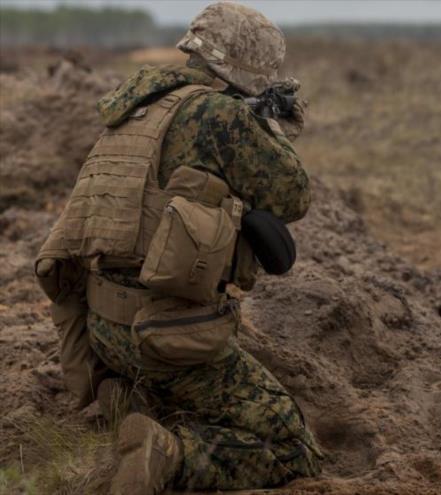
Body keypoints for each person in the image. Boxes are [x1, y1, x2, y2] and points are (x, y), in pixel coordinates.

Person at [33, 3, 323, 494]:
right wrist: (269, 125)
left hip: (101, 328)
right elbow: (293, 195)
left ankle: (130, 399)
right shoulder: (219, 114)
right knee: (295, 449)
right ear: (248, 68)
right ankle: (170, 455)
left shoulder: (138, 104)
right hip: (165, 335)